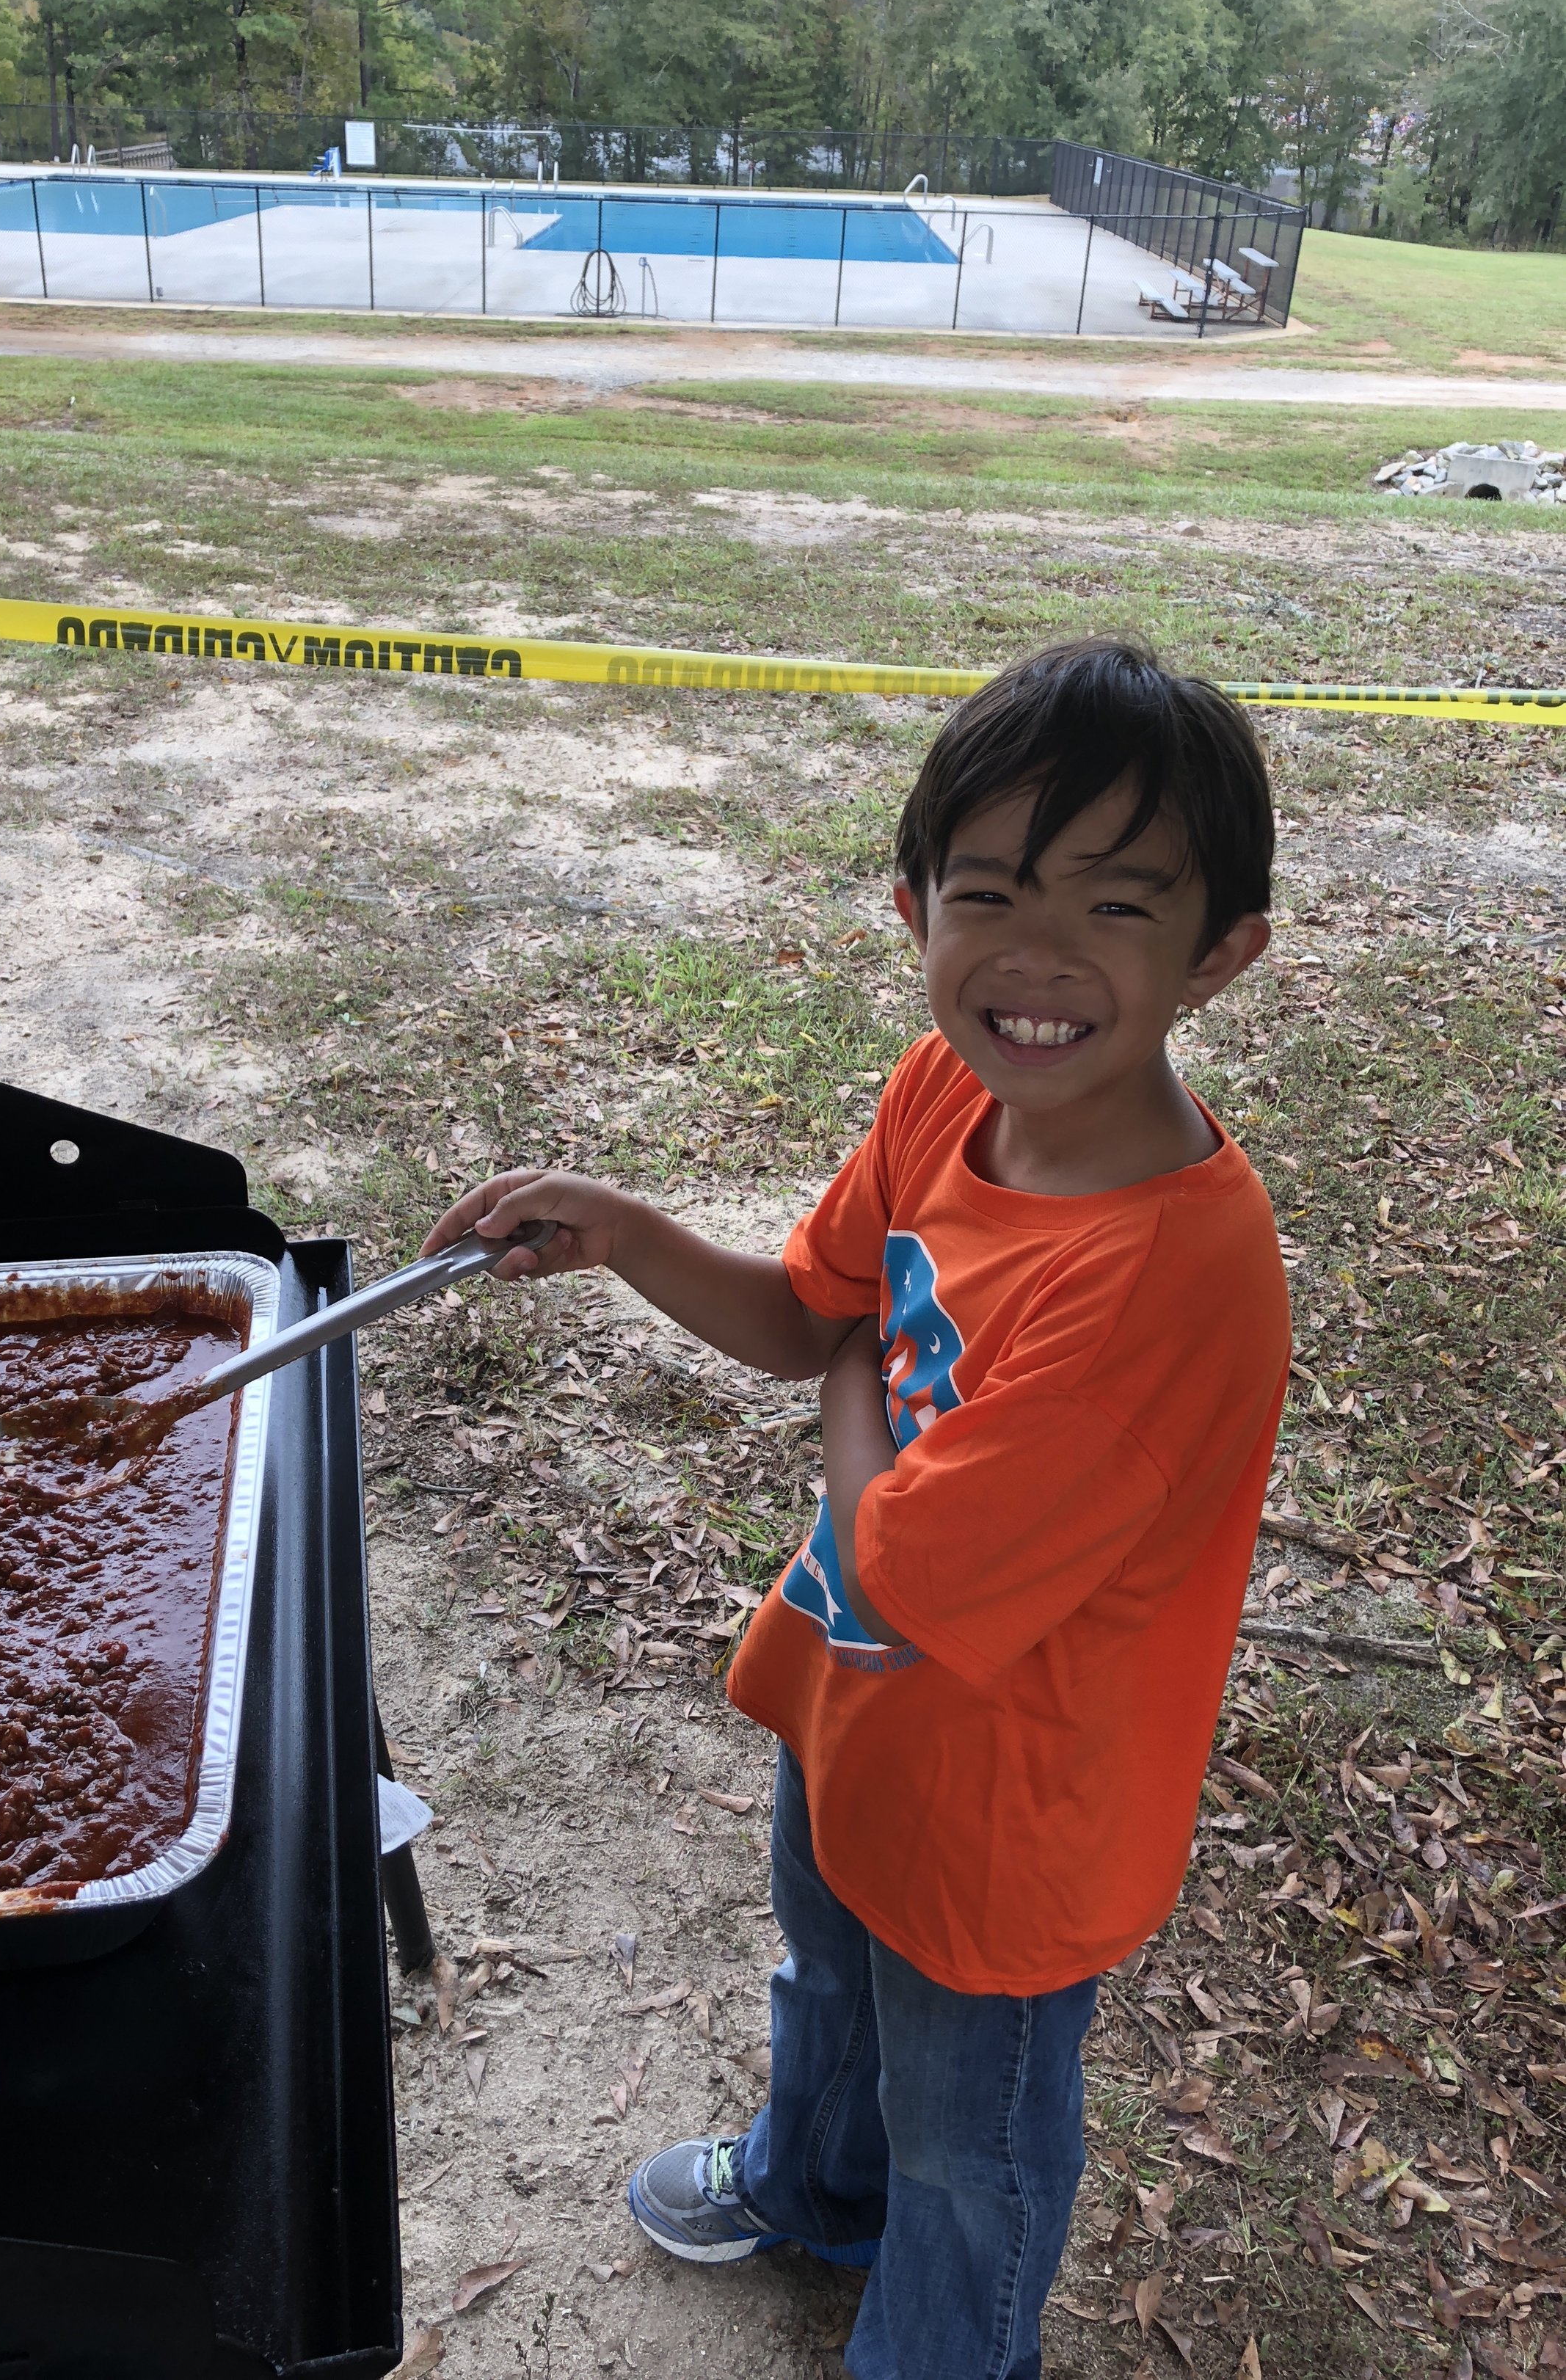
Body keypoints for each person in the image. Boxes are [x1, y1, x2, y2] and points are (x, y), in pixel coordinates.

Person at [421, 638, 1292, 2380]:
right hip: (858, 1712)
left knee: (972, 2142)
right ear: (912, 906)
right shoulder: (946, 1092)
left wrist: (852, 1385)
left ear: (1219, 955)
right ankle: (809, 2185)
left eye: (1117, 909)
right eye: (987, 889)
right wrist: (622, 1227)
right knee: (825, 1983)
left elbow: (891, 1548)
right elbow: (802, 1309)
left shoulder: (1166, 1278)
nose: (1034, 957)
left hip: (1017, 1808)